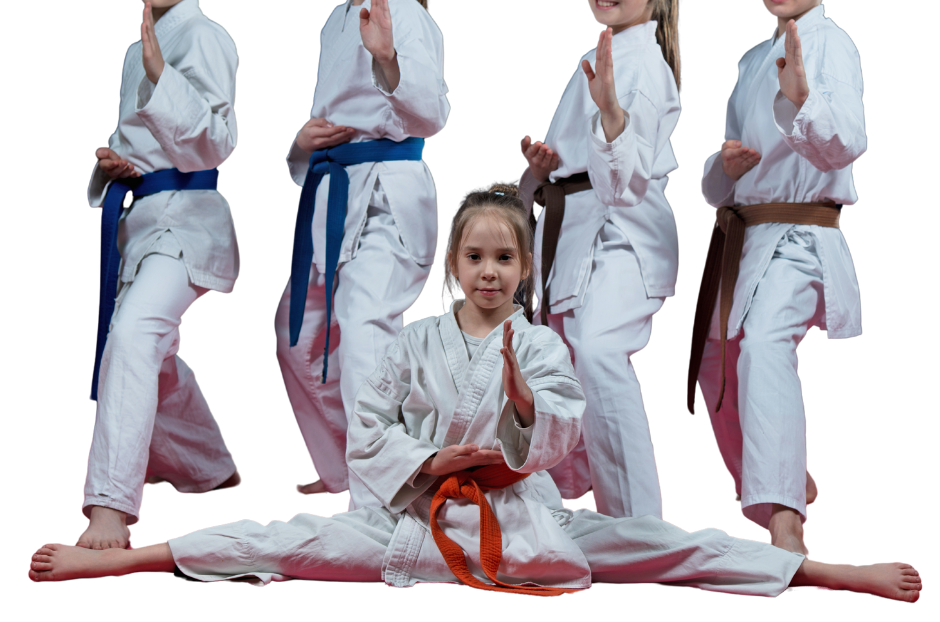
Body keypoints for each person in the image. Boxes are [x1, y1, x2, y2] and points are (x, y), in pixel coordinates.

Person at [29, 185, 921, 603]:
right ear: (451, 265)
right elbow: (370, 428)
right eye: (475, 258)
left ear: (523, 270)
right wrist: (431, 464)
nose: (489, 272)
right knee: (278, 540)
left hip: (524, 515)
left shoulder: (537, 344)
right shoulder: (415, 340)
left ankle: (828, 573)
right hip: (414, 517)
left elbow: (562, 433)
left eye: (505, 259)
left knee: (666, 546)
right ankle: (117, 560)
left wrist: (525, 412)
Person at [688, 0, 864, 556]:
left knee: (763, 346)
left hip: (800, 234)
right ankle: (775, 476)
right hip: (747, 234)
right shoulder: (749, 60)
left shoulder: (830, 46)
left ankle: (786, 517)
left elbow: (843, 143)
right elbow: (721, 182)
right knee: (716, 366)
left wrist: (798, 100)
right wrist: (723, 166)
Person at [273, 0, 449, 507]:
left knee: (363, 324)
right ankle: (350, 464)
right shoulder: (337, 17)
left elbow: (430, 116)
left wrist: (388, 57)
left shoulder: (407, 18)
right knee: (297, 336)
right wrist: (304, 142)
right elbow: (329, 120)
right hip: (334, 188)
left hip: (388, 195)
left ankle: (378, 498)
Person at [77, 0, 241, 551]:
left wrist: (160, 77)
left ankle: (111, 506)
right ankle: (212, 471)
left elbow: (213, 144)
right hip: (144, 219)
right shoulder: (139, 45)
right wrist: (122, 165)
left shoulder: (205, 37)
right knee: (155, 356)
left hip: (189, 221)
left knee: (137, 333)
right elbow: (152, 144)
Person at [518, 0, 681, 518]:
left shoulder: (644, 65)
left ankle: (639, 521)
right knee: (560, 356)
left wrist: (611, 115)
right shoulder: (597, 54)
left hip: (624, 232)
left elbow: (624, 180)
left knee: (599, 348)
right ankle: (566, 493)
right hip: (577, 230)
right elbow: (577, 168)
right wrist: (543, 167)